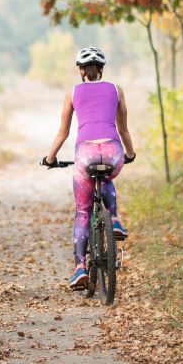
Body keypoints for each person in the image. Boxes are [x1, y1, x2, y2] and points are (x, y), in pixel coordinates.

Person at [41, 46, 135, 290]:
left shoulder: (73, 93)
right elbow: (123, 128)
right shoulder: (116, 89)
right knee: (105, 177)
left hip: (86, 153)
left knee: (83, 211)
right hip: (113, 152)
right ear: (101, 69)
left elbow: (63, 132)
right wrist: (130, 153)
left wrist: (49, 158)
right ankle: (113, 219)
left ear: (81, 71)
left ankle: (80, 267)